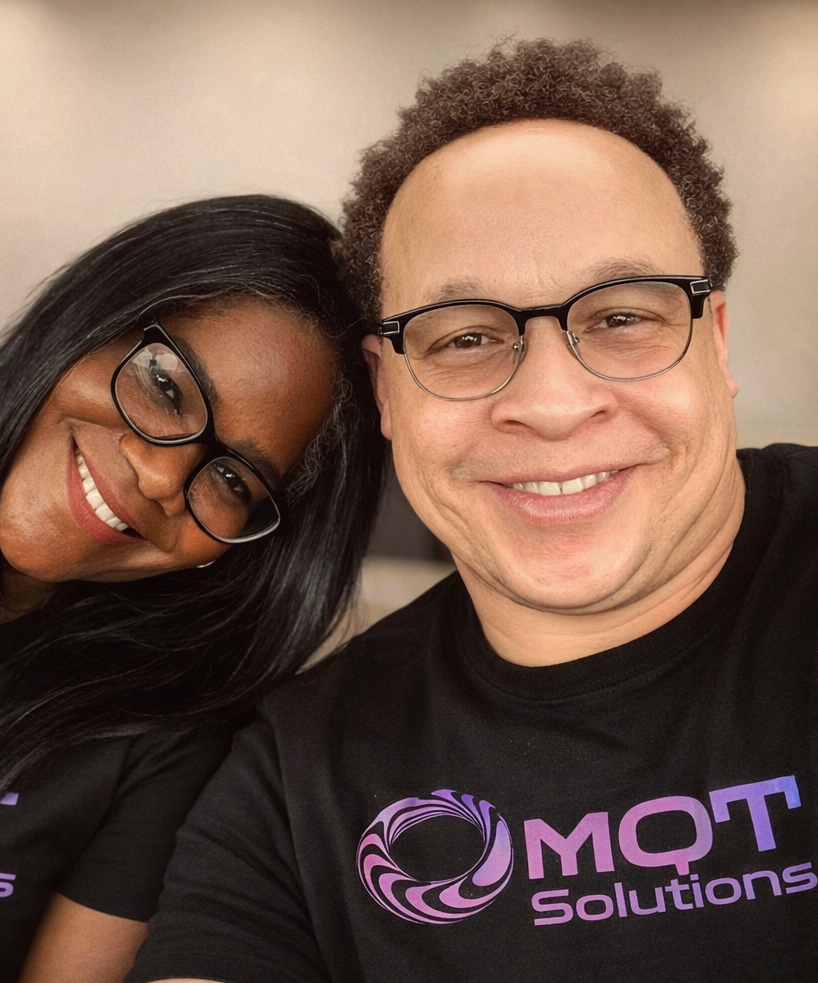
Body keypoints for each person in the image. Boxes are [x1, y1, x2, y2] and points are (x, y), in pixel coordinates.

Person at [129, 40, 817, 983]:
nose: (553, 403)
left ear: (716, 340)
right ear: (385, 388)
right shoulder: (297, 781)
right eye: (464, 337)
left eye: (622, 317)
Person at [0, 194, 384, 983]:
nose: (162, 476)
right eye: (165, 386)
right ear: (84, 324)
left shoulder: (163, 730)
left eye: (233, 481)